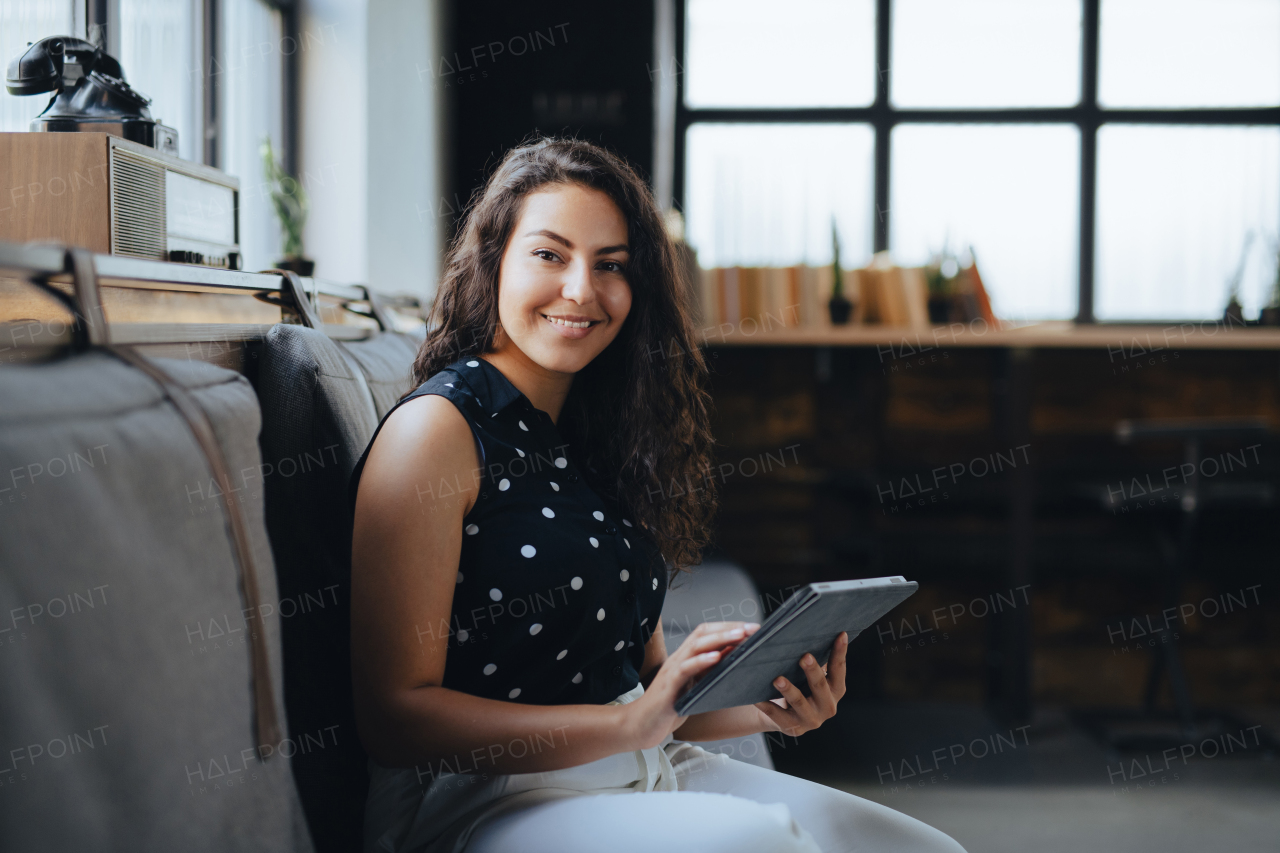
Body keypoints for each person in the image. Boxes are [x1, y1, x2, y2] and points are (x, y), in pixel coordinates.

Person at [348, 137, 966, 853]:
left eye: (611, 265)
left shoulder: (600, 434)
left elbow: (646, 690)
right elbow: (394, 717)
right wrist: (627, 725)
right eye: (549, 255)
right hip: (488, 799)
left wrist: (769, 707)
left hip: (643, 764)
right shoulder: (438, 431)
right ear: (494, 265)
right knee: (768, 844)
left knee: (920, 849)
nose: (581, 288)